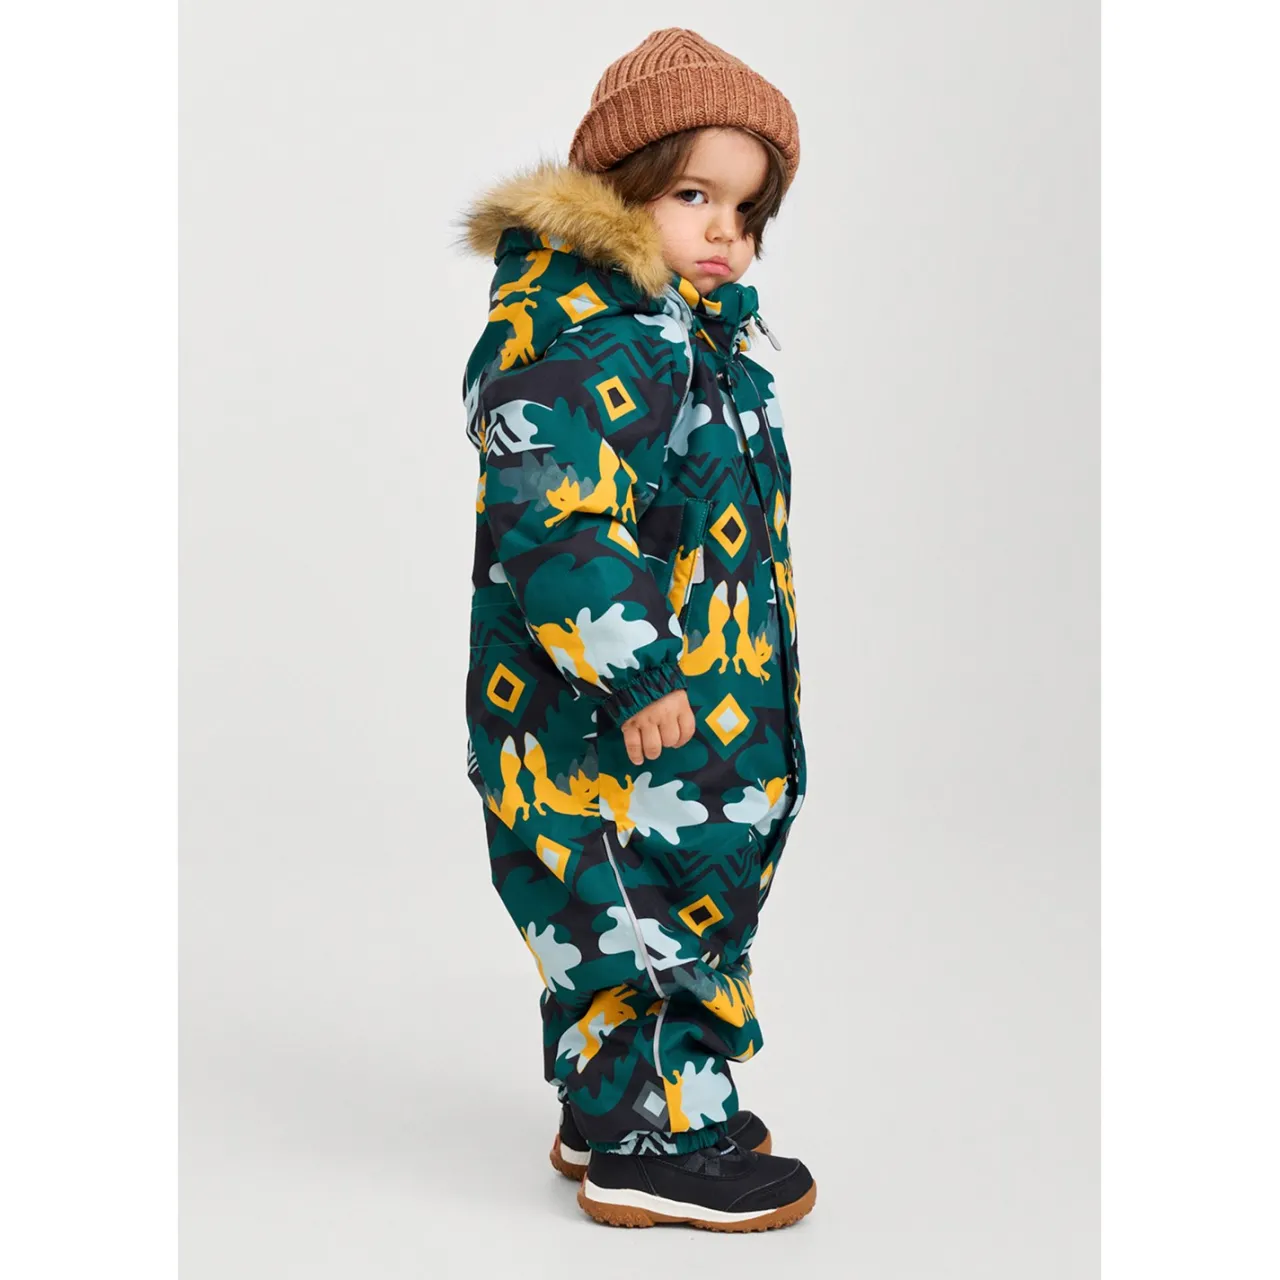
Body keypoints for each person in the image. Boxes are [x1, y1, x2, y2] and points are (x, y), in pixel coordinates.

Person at [454, 27, 813, 1232]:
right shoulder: (616, 340)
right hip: (618, 721)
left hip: (686, 712)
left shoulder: (689, 340)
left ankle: (612, 1103)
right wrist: (640, 668)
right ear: (618, 192)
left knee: (652, 901)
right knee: (643, 914)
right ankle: (650, 1137)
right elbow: (550, 505)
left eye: (747, 210)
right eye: (694, 196)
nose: (726, 233)